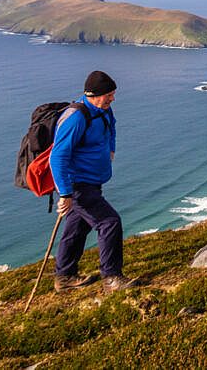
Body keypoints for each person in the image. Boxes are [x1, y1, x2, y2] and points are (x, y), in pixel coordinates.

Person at [50, 70, 136, 292]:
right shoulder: (76, 117)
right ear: (94, 94)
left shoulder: (103, 110)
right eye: (109, 94)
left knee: (76, 229)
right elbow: (57, 157)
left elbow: (111, 128)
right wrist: (66, 194)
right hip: (78, 185)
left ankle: (64, 276)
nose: (113, 98)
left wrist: (111, 149)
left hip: (92, 182)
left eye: (113, 94)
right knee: (109, 223)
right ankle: (111, 278)